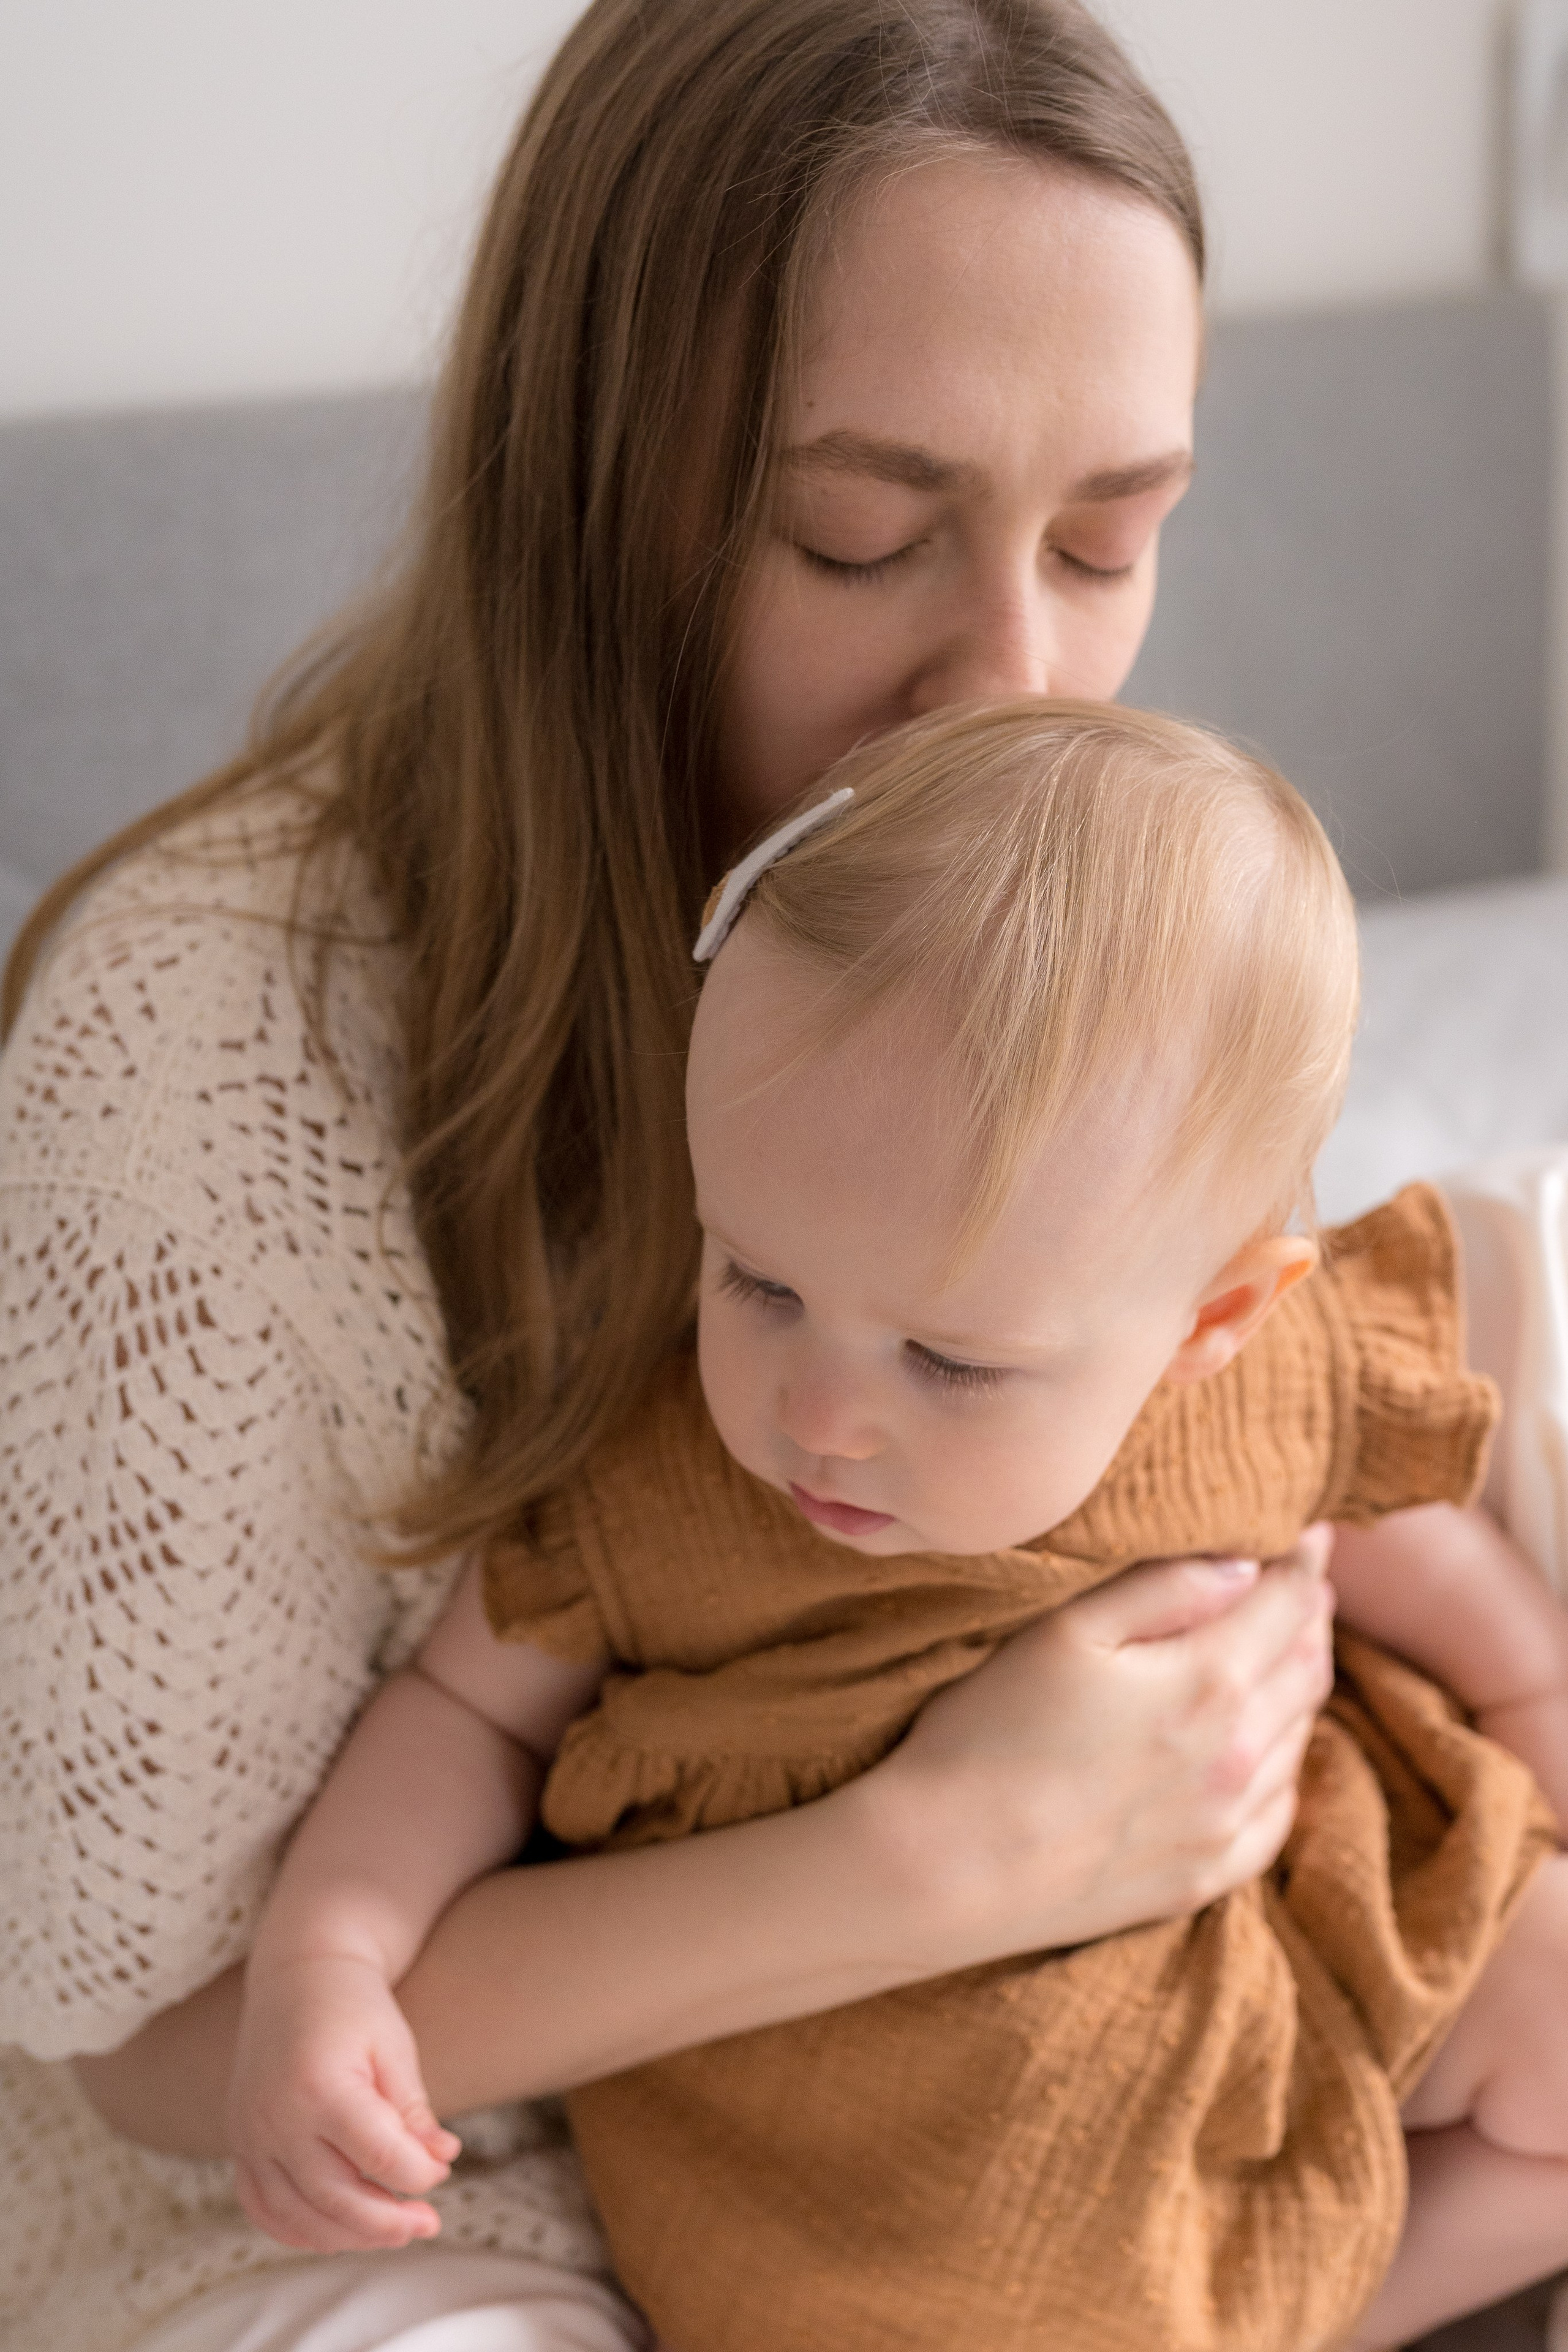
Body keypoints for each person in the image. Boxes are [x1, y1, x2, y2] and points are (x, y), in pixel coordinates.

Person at [0, 4, 1511, 2348]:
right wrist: (946, 1856)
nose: (1015, 683)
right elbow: (150, 2055)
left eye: (1112, 542)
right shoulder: (204, 1043)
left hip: (1112, 2087)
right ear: (589, 488)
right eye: (860, 536)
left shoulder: (1068, 895)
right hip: (393, 2187)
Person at [217, 701, 1567, 2352]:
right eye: (756, 1281)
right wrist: (326, 1964)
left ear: (1212, 1320)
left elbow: (1468, 1605)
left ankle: (1315, 2313)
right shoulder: (661, 1485)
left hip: (1283, 1971)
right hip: (845, 2163)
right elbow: (459, 1719)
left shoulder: (1247, 1396)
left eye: (952, 1358)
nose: (821, 1414)